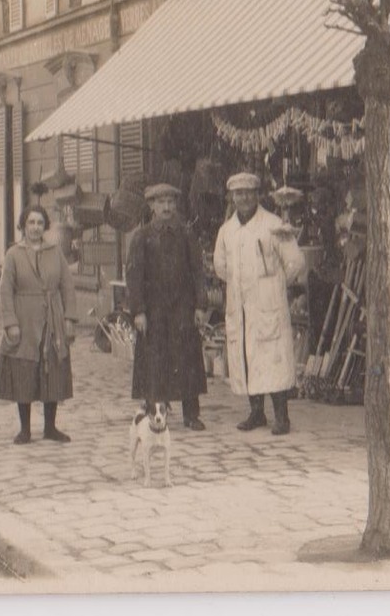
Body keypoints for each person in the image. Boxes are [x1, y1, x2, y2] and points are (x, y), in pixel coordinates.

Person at [214, 172, 308, 435]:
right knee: (246, 356)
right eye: (238, 193)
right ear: (232, 197)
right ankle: (256, 412)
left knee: (273, 359)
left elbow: (296, 262)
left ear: (257, 195)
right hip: (240, 306)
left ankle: (282, 416)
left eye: (248, 193)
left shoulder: (274, 224)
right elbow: (220, 266)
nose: (243, 198)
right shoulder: (226, 230)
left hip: (268, 304)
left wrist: (276, 284)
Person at [124, 183, 208, 430]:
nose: (167, 207)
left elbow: (198, 272)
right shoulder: (142, 236)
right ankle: (154, 413)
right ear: (151, 206)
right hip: (154, 310)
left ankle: (191, 414)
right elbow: (134, 276)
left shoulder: (186, 234)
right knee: (155, 360)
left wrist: (200, 305)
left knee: (187, 360)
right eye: (161, 202)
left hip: (183, 307)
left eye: (171, 202)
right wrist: (138, 311)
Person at [0, 205, 77, 444]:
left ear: (45, 227)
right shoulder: (13, 254)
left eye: (40, 223)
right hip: (25, 319)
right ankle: (25, 429)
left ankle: (50, 427)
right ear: (23, 226)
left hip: (52, 318)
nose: (36, 228)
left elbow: (67, 286)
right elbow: (5, 291)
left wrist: (69, 318)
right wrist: (10, 323)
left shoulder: (55, 252)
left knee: (53, 369)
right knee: (24, 372)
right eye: (31, 223)